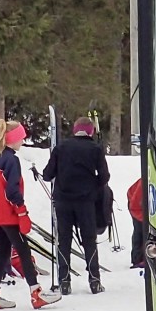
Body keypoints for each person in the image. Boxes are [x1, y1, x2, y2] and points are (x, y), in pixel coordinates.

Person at [0, 118, 59, 311]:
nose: (23, 141)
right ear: (12, 139)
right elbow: (11, 190)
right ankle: (36, 292)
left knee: (4, 251)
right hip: (8, 214)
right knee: (23, 250)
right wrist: (21, 210)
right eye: (21, 137)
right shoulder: (11, 159)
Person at [43, 117, 110, 295]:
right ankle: (94, 281)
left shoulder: (61, 148)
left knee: (64, 240)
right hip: (85, 201)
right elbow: (104, 176)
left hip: (63, 201)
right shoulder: (95, 149)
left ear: (75, 130)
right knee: (89, 239)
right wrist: (93, 185)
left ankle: (64, 282)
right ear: (90, 131)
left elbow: (47, 174)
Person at [126, 177, 149, 271]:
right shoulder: (143, 185)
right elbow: (134, 208)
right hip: (135, 204)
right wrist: (146, 221)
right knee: (140, 230)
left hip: (145, 204)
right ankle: (137, 260)